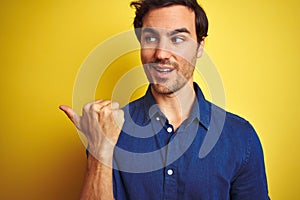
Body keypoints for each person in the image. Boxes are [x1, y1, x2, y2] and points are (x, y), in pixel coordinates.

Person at [60, 0, 270, 199]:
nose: (161, 53)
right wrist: (100, 151)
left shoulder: (241, 138)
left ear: (200, 47)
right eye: (151, 38)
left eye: (177, 39)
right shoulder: (106, 129)